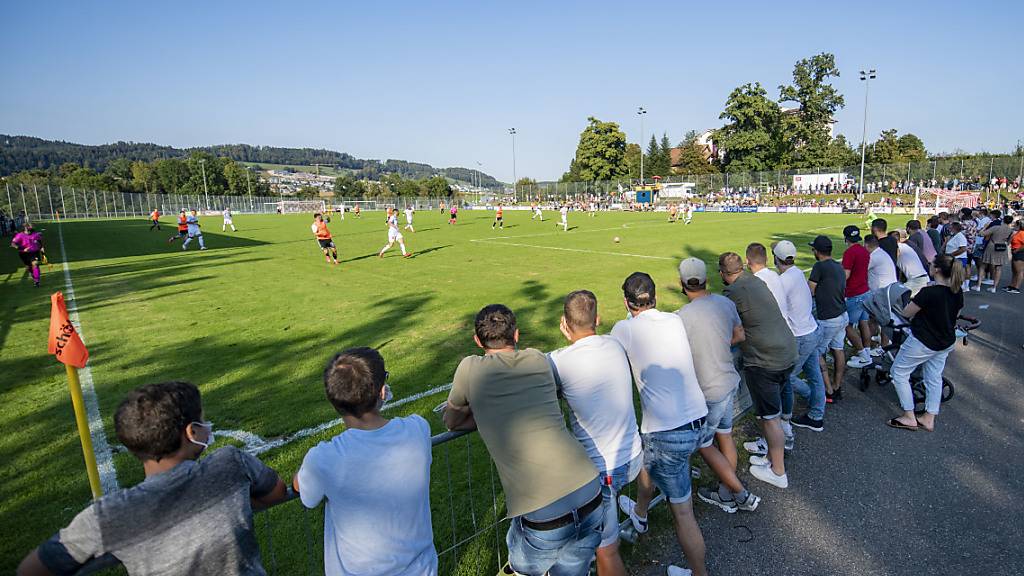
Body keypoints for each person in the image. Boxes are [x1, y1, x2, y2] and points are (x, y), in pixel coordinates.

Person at [17, 381, 288, 576]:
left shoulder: (109, 516)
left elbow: (32, 568)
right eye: (203, 420)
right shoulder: (229, 463)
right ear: (192, 432)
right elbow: (276, 492)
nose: (208, 426)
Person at [444, 305, 603, 576]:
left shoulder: (470, 368)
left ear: (477, 340)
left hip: (544, 513)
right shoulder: (538, 358)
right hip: (589, 489)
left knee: (521, 568)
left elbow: (452, 421)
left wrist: (485, 412)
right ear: (516, 335)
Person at [295, 348, 437, 576]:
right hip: (422, 569)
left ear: (334, 400)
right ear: (382, 391)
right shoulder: (417, 428)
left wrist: (303, 473)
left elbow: (306, 494)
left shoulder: (323, 459)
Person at [610, 272, 708, 576]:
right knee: (647, 460)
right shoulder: (674, 319)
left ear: (626, 302)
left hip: (669, 432)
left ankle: (699, 573)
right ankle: (640, 513)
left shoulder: (623, 329)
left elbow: (608, 361)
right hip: (695, 420)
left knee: (683, 512)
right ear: (655, 297)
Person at [548, 290, 643, 576]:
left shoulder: (557, 361)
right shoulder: (614, 345)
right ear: (598, 319)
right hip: (633, 456)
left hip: (602, 472)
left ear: (564, 324)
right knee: (598, 539)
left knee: (607, 551)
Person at [676, 259, 762, 515]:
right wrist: (719, 343)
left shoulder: (682, 317)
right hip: (728, 381)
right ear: (706, 279)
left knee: (704, 442)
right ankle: (725, 490)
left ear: (683, 283)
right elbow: (739, 335)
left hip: (710, 389)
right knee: (723, 434)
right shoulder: (724, 303)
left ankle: (737, 492)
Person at [719, 253, 796, 489]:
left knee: (770, 418)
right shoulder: (755, 280)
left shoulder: (732, 294)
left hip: (765, 361)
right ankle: (773, 456)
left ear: (722, 273)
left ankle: (778, 471)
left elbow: (727, 329)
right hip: (787, 351)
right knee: (772, 414)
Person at [886, 255, 965, 432]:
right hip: (945, 341)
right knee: (934, 377)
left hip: (924, 341)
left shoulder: (929, 293)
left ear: (936, 270)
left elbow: (906, 312)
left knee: (898, 372)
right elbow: (956, 313)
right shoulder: (956, 290)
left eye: (931, 264)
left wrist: (923, 295)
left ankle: (908, 416)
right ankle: (929, 417)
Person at [771, 241, 827, 432]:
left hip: (800, 336)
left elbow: (778, 311)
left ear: (776, 258)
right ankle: (817, 413)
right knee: (814, 375)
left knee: (787, 378)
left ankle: (809, 402)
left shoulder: (784, 280)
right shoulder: (797, 273)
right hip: (811, 329)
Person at [807, 235, 850, 402]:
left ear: (817, 252)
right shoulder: (838, 266)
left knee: (817, 352)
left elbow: (810, 290)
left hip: (829, 318)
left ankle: (828, 390)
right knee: (838, 349)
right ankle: (837, 385)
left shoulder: (819, 266)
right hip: (842, 314)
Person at [841, 225, 875, 367]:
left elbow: (846, 275)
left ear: (846, 238)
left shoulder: (850, 252)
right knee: (863, 323)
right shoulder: (864, 250)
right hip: (865, 290)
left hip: (854, 293)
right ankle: (866, 352)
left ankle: (863, 355)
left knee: (847, 326)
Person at [746, 243, 787, 313]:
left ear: (747, 261)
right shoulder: (775, 275)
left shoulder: (753, 282)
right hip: (783, 321)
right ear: (766, 259)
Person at [977, 213, 1013, 293]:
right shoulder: (1010, 231)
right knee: (998, 267)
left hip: (991, 246)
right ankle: (994, 287)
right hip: (1002, 248)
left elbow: (981, 234)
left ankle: (978, 285)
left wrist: (985, 227)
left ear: (1003, 220)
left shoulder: (996, 227)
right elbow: (1008, 242)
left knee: (983, 265)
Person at [895, 230, 931, 296]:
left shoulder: (898, 247)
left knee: (895, 296)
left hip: (917, 281)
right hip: (921, 279)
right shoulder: (907, 245)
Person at [942, 222, 970, 291]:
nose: (949, 229)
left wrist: (951, 254)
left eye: (951, 228)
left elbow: (963, 249)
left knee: (958, 274)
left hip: (958, 258)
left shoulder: (960, 237)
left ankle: (962, 286)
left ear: (954, 229)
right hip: (953, 257)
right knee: (954, 274)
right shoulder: (954, 236)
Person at [1003, 219, 1024, 294]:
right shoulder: (1017, 233)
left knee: (1019, 271)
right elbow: (1009, 242)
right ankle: (1012, 285)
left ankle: (1016, 287)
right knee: (1014, 271)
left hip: (1019, 253)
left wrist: (1017, 250)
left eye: (1015, 224)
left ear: (1019, 225)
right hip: (1015, 252)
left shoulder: (1022, 233)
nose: (1013, 225)